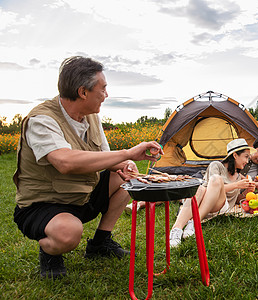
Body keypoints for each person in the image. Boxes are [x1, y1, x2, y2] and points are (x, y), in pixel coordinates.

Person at [13, 56, 164, 279]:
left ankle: (100, 243)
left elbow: (104, 157)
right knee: (69, 233)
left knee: (129, 174)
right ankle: (50, 252)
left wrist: (128, 162)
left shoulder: (92, 117)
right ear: (83, 92)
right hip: (45, 203)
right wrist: (127, 152)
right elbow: (65, 162)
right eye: (102, 89)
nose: (106, 95)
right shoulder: (42, 119)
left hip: (82, 196)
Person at [169, 138, 255, 247]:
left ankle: (195, 222)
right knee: (202, 188)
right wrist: (237, 185)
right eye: (246, 157)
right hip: (205, 205)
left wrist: (248, 191)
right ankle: (176, 230)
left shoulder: (239, 177)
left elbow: (237, 199)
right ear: (235, 155)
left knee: (215, 179)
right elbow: (210, 188)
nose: (247, 161)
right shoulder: (217, 165)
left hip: (221, 207)